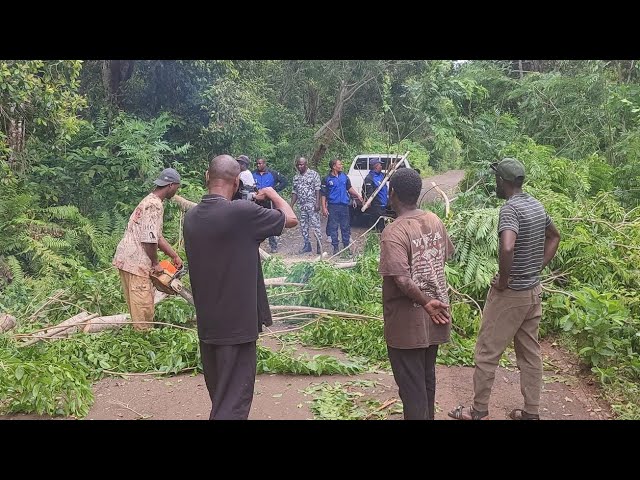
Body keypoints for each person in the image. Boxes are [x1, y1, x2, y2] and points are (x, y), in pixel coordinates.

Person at [183, 154, 298, 420]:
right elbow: (290, 219)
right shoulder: (241, 214)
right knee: (233, 405)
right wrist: (271, 192)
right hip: (237, 329)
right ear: (236, 182)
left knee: (221, 397)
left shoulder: (191, 218)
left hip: (208, 326)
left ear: (206, 177)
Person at [448, 158, 561, 421]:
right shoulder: (536, 205)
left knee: (487, 352)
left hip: (510, 295)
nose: (495, 183)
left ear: (503, 181)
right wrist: (537, 267)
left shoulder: (510, 210)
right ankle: (531, 412)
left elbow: (507, 246)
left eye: (496, 179)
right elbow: (555, 236)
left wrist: (503, 280)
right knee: (530, 353)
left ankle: (477, 412)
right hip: (533, 293)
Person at [379, 168, 454, 420]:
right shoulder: (434, 220)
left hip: (408, 325)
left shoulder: (394, 232)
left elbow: (401, 279)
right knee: (426, 381)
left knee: (412, 391)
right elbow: (442, 257)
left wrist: (424, 302)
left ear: (392, 194)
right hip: (436, 318)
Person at [112, 168, 183, 331]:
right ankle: (143, 342)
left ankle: (138, 336)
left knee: (136, 307)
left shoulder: (148, 200)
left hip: (127, 259)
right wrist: (156, 263)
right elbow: (149, 239)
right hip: (137, 262)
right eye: (177, 188)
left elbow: (157, 236)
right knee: (143, 308)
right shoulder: (154, 206)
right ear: (171, 185)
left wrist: (174, 255)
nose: (176, 191)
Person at [321, 158, 364, 255]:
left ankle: (346, 247)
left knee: (345, 227)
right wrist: (324, 207)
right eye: (339, 164)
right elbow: (323, 194)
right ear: (334, 166)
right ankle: (335, 247)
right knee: (334, 227)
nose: (341, 166)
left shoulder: (344, 176)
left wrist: (357, 195)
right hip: (333, 206)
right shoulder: (327, 179)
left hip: (344, 206)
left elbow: (349, 188)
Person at [252, 157, 288, 253]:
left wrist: (274, 191)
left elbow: (284, 182)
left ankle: (273, 246)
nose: (258, 165)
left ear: (265, 164)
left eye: (260, 163)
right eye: (257, 164)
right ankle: (256, 245)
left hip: (269, 201)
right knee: (256, 223)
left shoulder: (273, 173)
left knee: (270, 222)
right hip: (256, 201)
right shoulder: (253, 174)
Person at [290, 156, 322, 254]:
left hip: (312, 204)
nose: (299, 166)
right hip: (302, 205)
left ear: (306, 164)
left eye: (301, 164)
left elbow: (318, 189)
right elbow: (294, 192)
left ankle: (319, 246)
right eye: (298, 164)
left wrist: (317, 203)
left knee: (316, 225)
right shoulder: (296, 177)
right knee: (303, 226)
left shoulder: (313, 174)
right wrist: (290, 206)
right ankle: (307, 245)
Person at [363, 157, 389, 232]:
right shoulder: (370, 178)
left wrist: (391, 167)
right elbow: (368, 193)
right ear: (376, 166)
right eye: (380, 165)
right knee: (374, 226)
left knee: (383, 226)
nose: (381, 166)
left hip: (383, 206)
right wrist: (367, 202)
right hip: (376, 207)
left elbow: (389, 176)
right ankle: (373, 239)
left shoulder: (382, 175)